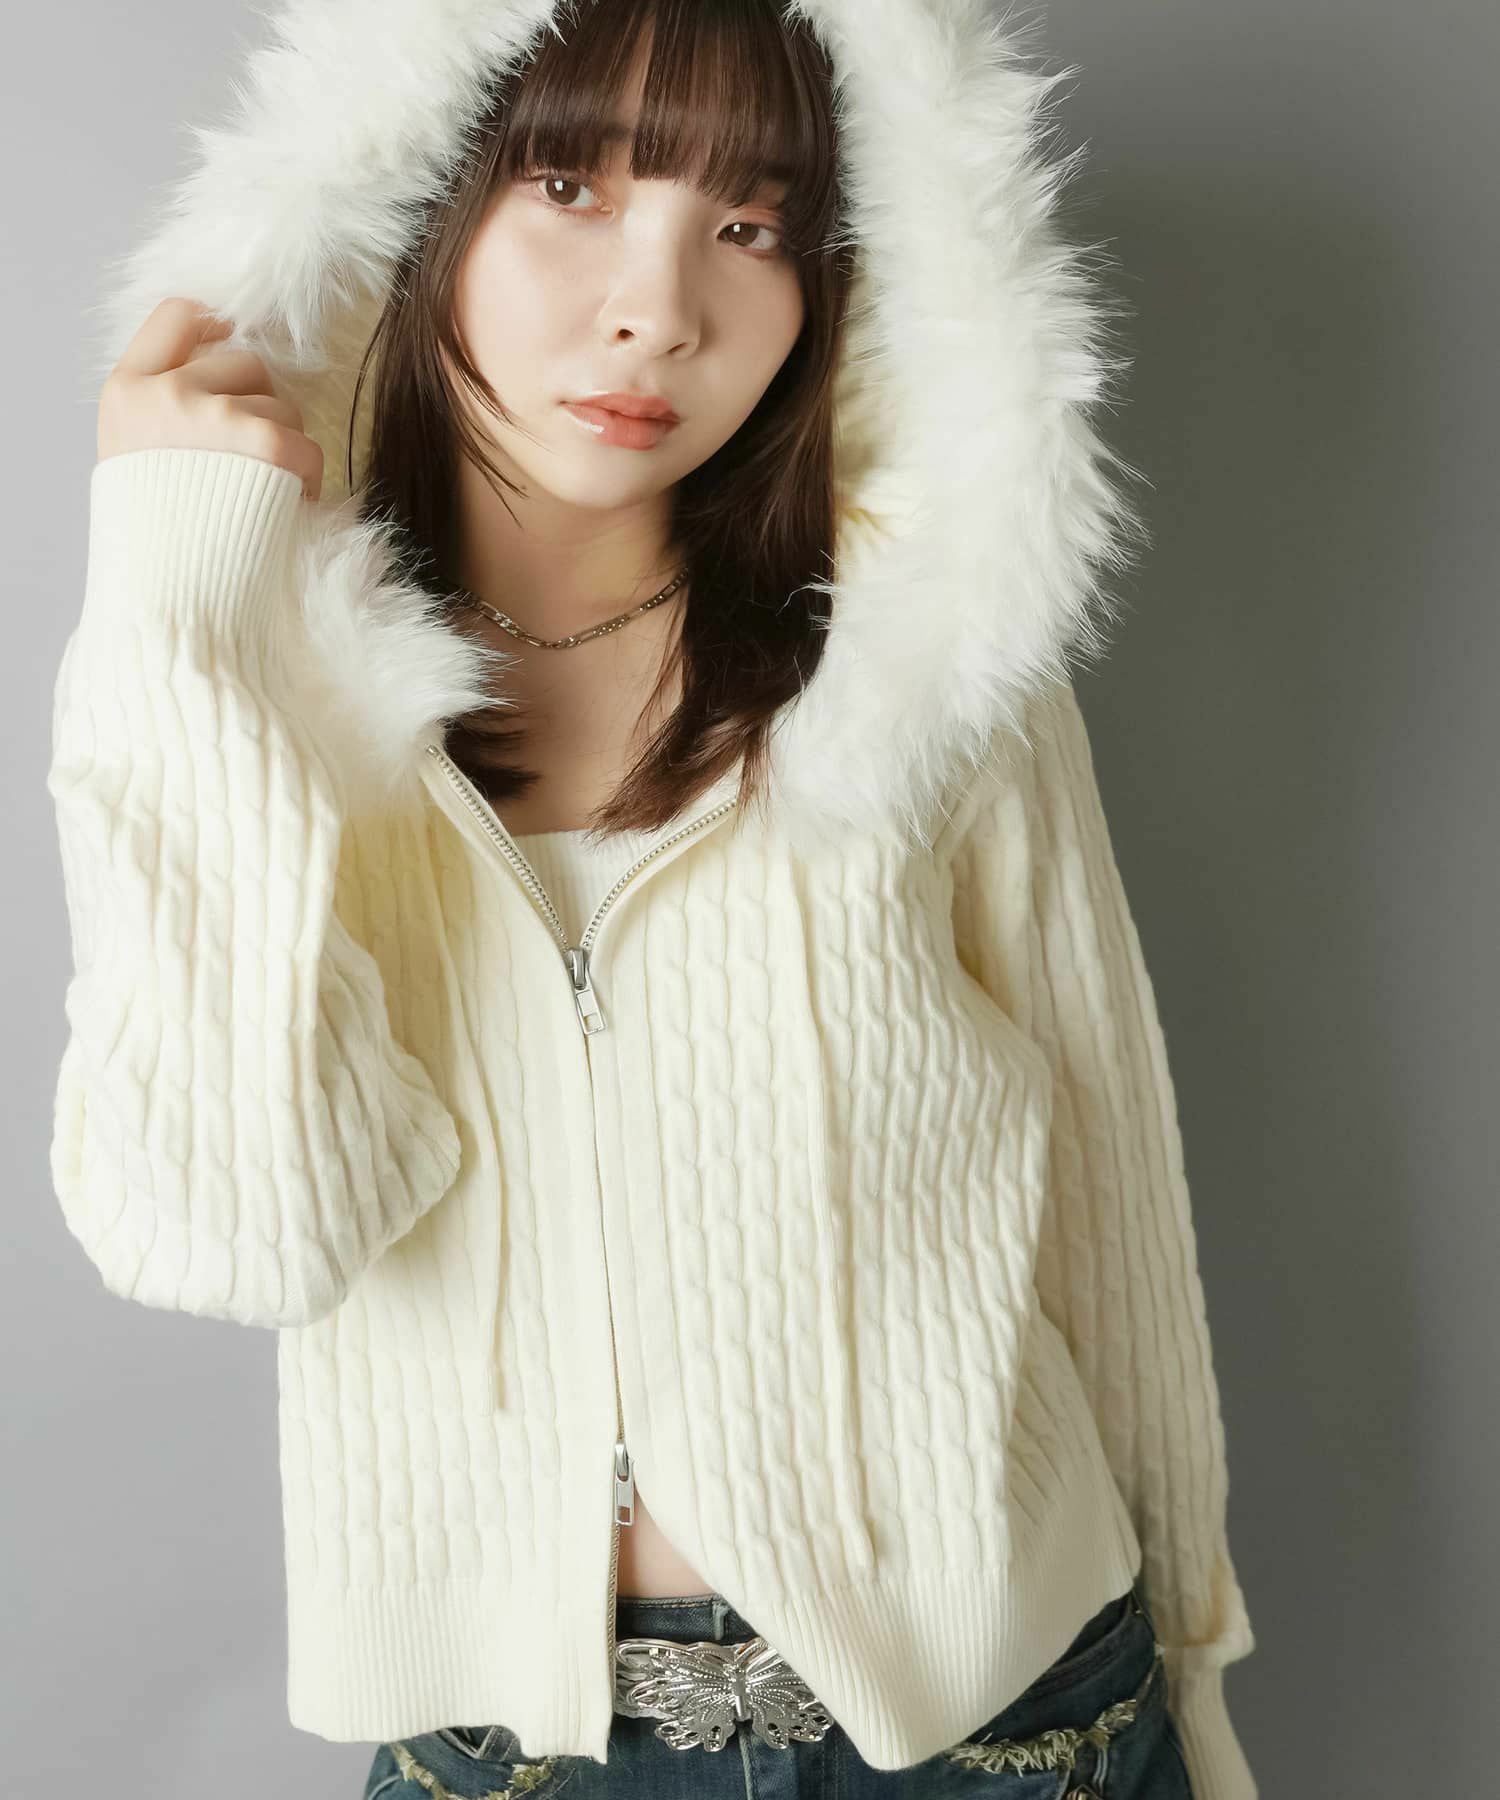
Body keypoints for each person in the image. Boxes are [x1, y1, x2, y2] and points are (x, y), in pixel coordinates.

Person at [47, 0, 1258, 1795]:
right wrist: (176, 592)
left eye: (752, 225)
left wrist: (1196, 1691)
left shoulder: (932, 677)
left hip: (1018, 1731)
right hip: (516, 1754)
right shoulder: (241, 700)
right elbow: (236, 1230)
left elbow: (1107, 1208)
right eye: (570, 187)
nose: (661, 310)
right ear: (410, 201)